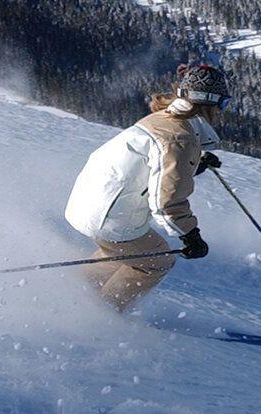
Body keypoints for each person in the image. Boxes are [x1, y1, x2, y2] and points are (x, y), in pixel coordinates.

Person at [64, 63, 229, 312]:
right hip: (110, 215)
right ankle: (102, 313)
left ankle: (74, 292)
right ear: (210, 103)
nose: (222, 111)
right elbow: (166, 202)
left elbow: (155, 165)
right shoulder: (180, 138)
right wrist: (190, 235)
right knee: (157, 260)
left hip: (88, 202)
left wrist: (194, 164)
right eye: (223, 104)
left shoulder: (164, 119)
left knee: (120, 252)